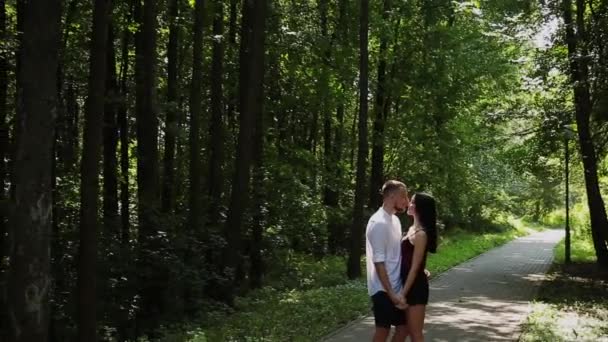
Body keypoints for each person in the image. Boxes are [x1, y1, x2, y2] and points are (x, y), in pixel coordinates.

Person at [366, 180, 410, 342]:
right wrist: (391, 293)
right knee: (382, 331)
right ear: (391, 197)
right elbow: (379, 262)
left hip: (396, 286)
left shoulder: (395, 221)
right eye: (404, 197)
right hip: (382, 289)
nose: (407, 201)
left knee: (404, 328)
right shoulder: (378, 223)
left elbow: (396, 253)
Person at [399, 193, 438, 342]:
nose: (409, 203)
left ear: (420, 208)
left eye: (413, 202)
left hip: (415, 288)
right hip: (406, 283)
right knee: (404, 330)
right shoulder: (411, 229)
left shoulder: (421, 234)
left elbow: (415, 268)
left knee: (415, 333)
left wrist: (403, 293)